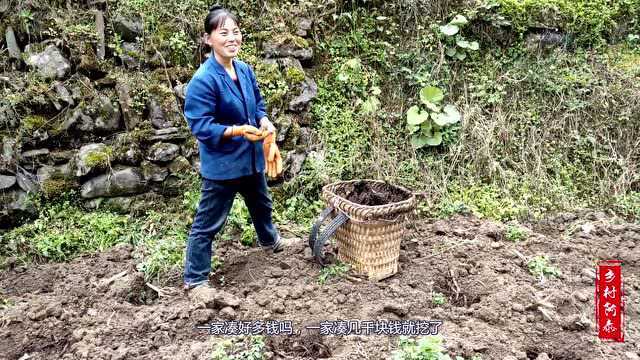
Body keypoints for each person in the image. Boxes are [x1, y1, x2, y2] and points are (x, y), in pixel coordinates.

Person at [182, 5, 286, 291]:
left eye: (236, 32)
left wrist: (265, 122)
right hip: (224, 166)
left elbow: (259, 105)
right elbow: (201, 127)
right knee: (208, 223)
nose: (232, 38)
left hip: (251, 159)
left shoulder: (244, 70)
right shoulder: (203, 80)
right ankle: (196, 280)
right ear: (208, 39)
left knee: (262, 205)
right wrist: (237, 130)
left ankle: (270, 242)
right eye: (223, 32)